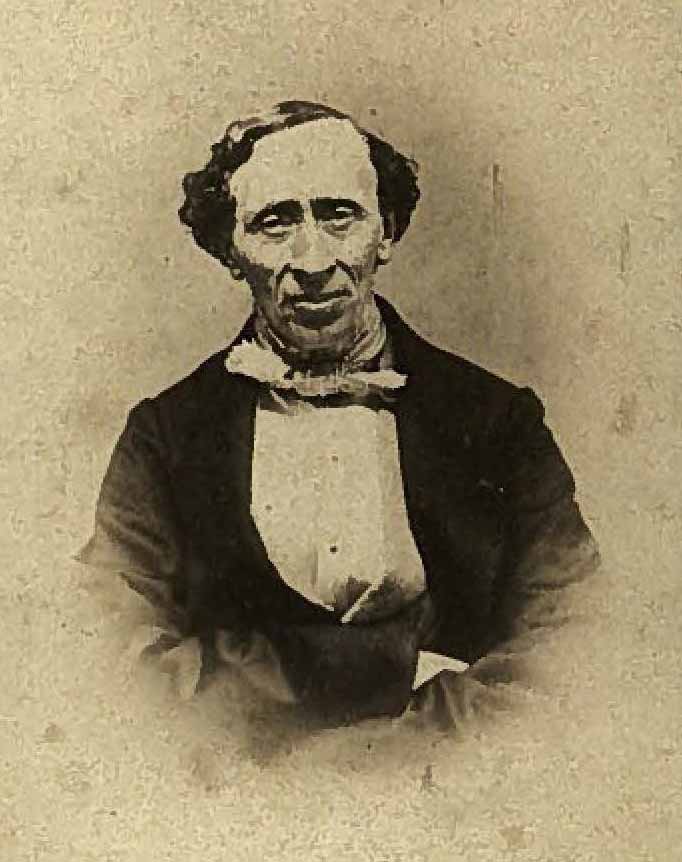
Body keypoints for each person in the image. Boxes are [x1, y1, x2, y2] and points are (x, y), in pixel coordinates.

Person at [78, 100, 600, 728]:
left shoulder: (497, 422)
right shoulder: (164, 438)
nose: (314, 262)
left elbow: (574, 640)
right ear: (230, 249)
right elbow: (113, 657)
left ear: (387, 232)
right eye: (275, 222)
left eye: (339, 215)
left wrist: (425, 737)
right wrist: (376, 672)